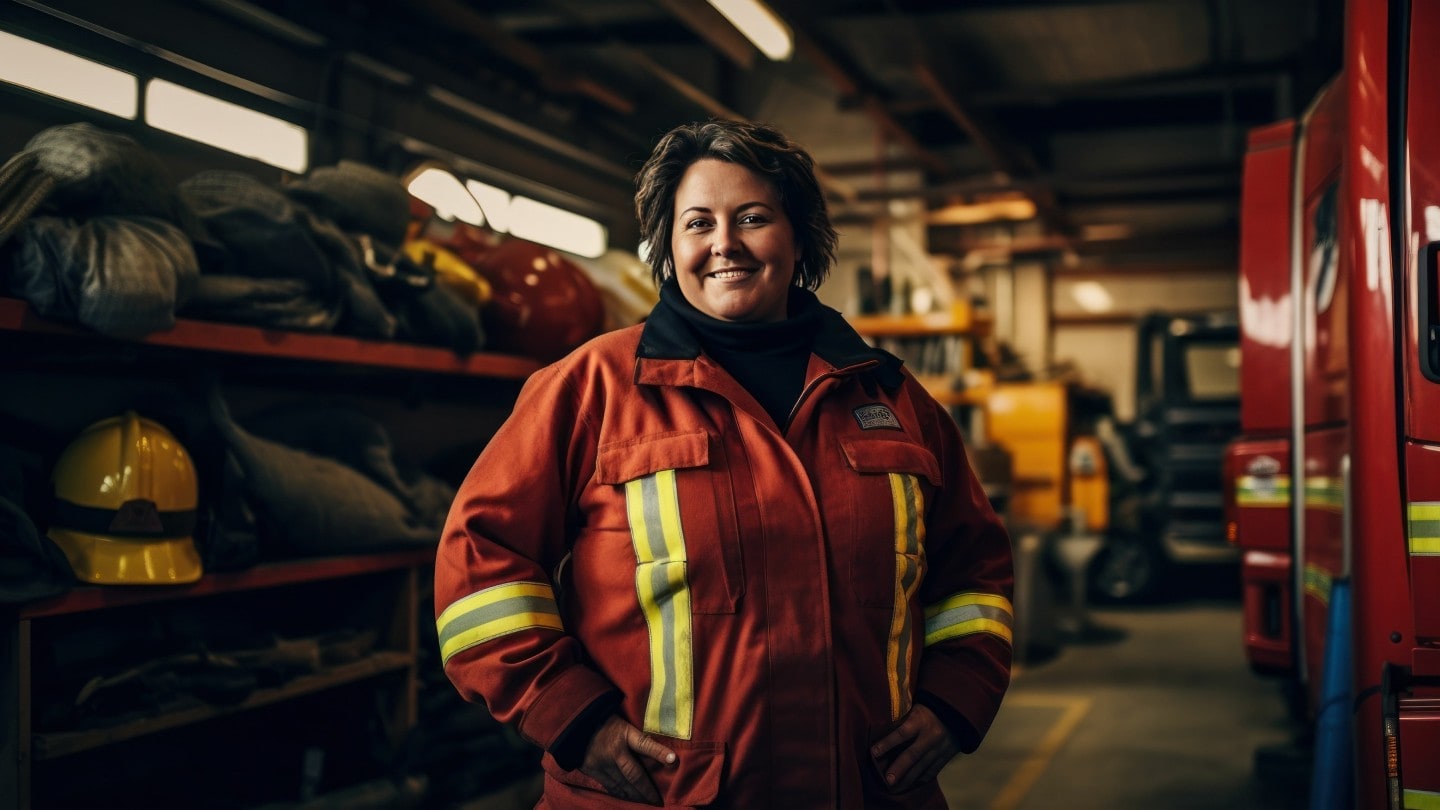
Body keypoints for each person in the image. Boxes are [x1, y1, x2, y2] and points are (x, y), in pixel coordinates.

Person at [434, 119, 1014, 809]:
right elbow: (479, 564)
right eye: (697, 222)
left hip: (870, 791)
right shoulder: (590, 389)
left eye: (752, 218)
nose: (724, 244)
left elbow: (974, 572)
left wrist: (955, 701)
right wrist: (572, 716)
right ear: (669, 246)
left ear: (798, 238)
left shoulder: (890, 398)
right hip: (660, 797)